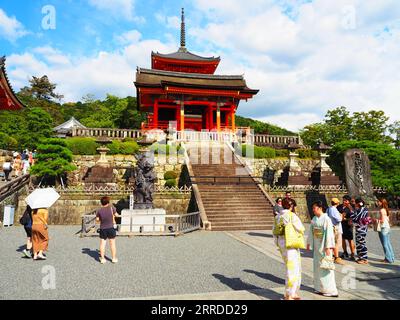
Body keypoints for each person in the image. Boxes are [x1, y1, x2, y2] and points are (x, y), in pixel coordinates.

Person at [273, 198, 305, 300]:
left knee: (289, 267)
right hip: (291, 243)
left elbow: (274, 231)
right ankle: (290, 293)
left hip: (282, 243)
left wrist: (278, 243)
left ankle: (291, 293)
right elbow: (301, 228)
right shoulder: (291, 216)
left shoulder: (278, 216)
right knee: (293, 268)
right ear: (291, 206)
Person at [307, 201, 338, 297]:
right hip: (317, 245)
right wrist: (309, 243)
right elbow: (311, 231)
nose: (313, 210)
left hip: (324, 245)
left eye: (314, 208)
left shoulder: (326, 219)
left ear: (320, 208)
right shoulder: (314, 219)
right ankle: (319, 287)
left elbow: (329, 233)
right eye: (313, 208)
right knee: (317, 267)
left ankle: (330, 290)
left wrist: (328, 246)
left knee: (326, 268)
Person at [96, 196, 119, 264]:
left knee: (102, 244)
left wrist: (101, 219)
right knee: (112, 244)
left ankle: (102, 259)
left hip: (103, 228)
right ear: (108, 202)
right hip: (111, 228)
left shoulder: (99, 210)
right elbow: (116, 215)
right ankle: (114, 258)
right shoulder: (112, 208)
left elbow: (97, 219)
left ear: (101, 203)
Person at [375, 198, 395, 264]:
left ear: (381, 202)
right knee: (388, 243)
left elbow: (382, 221)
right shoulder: (386, 210)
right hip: (387, 227)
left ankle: (388, 259)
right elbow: (387, 220)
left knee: (385, 244)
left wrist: (376, 220)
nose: (377, 203)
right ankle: (391, 257)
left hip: (383, 228)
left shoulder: (381, 210)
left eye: (378, 202)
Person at [351, 198, 369, 265]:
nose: (354, 204)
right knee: (360, 243)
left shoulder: (360, 210)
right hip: (363, 228)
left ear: (358, 203)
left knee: (361, 243)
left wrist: (352, 212)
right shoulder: (365, 209)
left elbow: (355, 218)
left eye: (355, 202)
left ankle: (364, 259)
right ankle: (361, 257)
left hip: (360, 229)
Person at [326, 198, 344, 265]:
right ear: (337, 203)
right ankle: (336, 257)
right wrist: (341, 216)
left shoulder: (328, 209)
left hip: (331, 227)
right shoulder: (333, 209)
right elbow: (339, 219)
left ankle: (331, 255)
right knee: (336, 243)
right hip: (335, 228)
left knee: (332, 242)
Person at [338, 195, 356, 260]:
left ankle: (353, 253)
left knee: (350, 239)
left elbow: (353, 216)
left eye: (346, 200)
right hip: (341, 224)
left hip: (348, 225)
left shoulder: (350, 207)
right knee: (343, 239)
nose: (344, 201)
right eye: (343, 200)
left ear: (349, 201)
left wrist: (345, 218)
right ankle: (345, 252)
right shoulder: (339, 206)